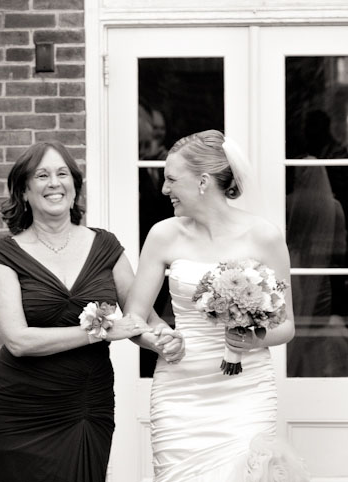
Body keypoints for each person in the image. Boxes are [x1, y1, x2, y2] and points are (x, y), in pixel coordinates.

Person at [0, 141, 185, 482]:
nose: (54, 183)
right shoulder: (5, 255)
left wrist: (163, 340)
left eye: (63, 174)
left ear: (74, 186)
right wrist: (101, 331)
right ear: (24, 190)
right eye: (42, 175)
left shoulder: (105, 246)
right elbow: (19, 340)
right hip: (22, 405)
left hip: (85, 403)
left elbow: (141, 318)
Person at [124, 130, 305, 481]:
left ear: (203, 181)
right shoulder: (163, 235)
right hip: (179, 394)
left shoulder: (264, 236)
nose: (164, 189)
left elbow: (286, 326)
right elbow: (135, 317)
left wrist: (253, 339)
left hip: (245, 392)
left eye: (172, 179)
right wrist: (158, 338)